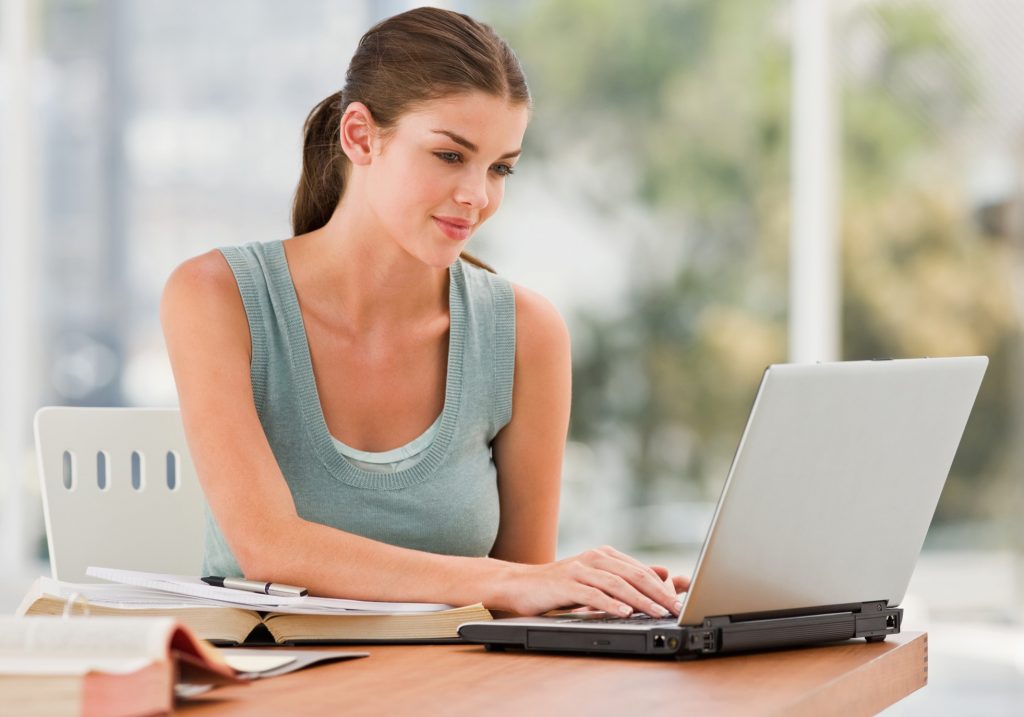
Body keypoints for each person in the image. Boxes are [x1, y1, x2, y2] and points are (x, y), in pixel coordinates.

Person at [161, 6, 687, 618]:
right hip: (270, 684)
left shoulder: (525, 334)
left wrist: (597, 596)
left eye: (501, 168)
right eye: (449, 155)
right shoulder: (214, 296)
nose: (478, 196)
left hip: (454, 690)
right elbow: (269, 548)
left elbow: (523, 600)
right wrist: (512, 582)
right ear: (360, 136)